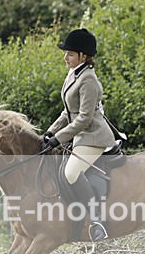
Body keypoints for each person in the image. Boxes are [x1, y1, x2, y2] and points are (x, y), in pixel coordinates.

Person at [41, 28, 115, 242]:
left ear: (84, 56)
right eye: (66, 53)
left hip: (93, 136)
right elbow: (67, 112)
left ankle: (97, 221)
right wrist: (50, 131)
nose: (65, 57)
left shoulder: (88, 79)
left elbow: (83, 118)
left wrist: (58, 138)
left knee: (71, 173)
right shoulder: (74, 73)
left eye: (70, 54)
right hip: (80, 135)